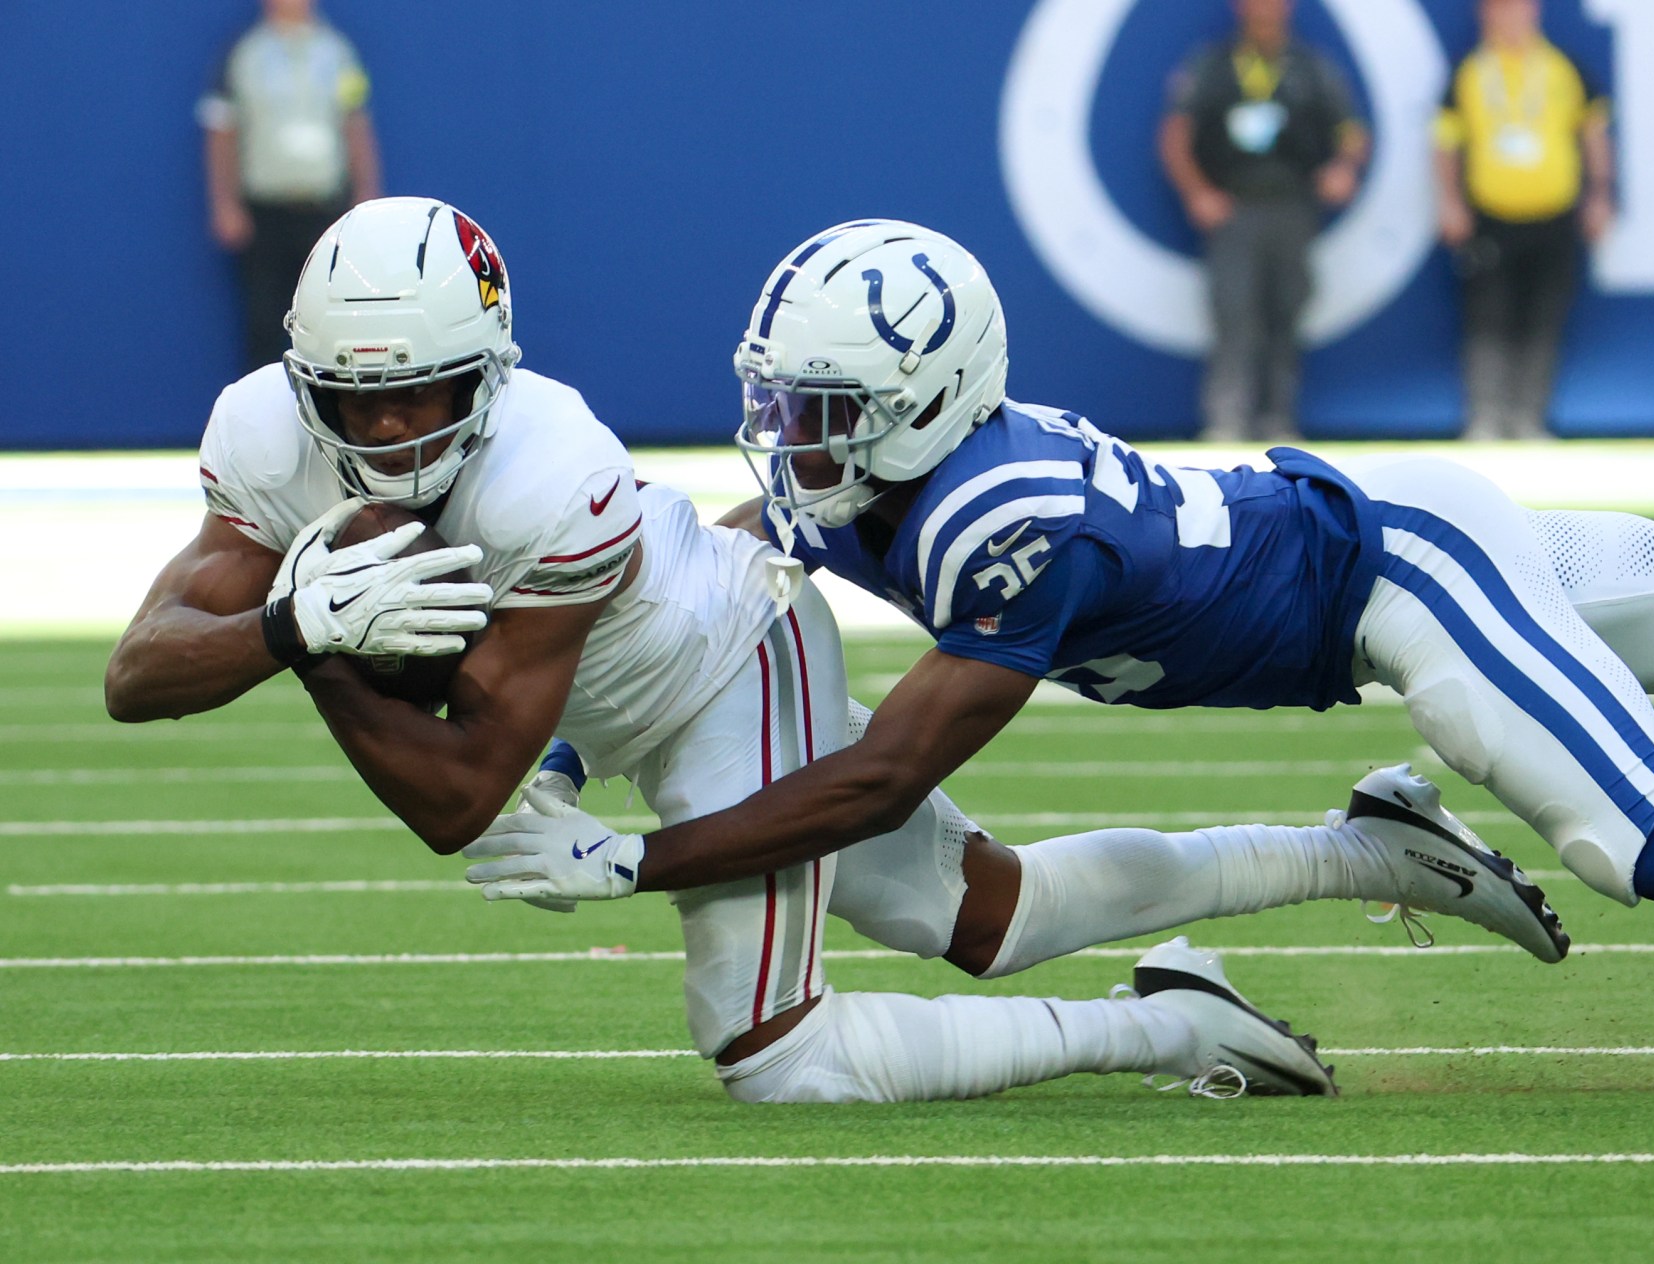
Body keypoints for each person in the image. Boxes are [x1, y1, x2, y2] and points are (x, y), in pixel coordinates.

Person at [470, 219, 1654, 1110]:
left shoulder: (991, 520)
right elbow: (699, 571)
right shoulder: (899, 469)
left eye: (822, 411)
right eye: (785, 401)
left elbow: (878, 778)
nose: (786, 440)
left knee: (1644, 838)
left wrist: (639, 855)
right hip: (1376, 536)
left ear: (928, 402)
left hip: (1398, 584)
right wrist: (562, 736)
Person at [106, 198, 1577, 1107]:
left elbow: (454, 801)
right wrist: (291, 619)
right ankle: (1369, 849)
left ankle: (1162, 1026)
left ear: (487, 374)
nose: (383, 435)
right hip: (633, 696)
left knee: (779, 1062)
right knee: (988, 913)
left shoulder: (551, 470)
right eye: (350, 402)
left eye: (418, 395)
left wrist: (334, 659)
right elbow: (141, 670)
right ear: (301, 382)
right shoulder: (259, 431)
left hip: (729, 661)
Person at [1160, 0, 1370, 442]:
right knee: (1234, 311)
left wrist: (1342, 169)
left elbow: (1351, 133)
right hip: (1235, 207)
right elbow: (1176, 135)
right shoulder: (1212, 65)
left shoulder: (1312, 66)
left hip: (1292, 208)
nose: (1265, 10)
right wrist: (1198, 193)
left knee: (1287, 310)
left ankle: (1279, 417)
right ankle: (1227, 419)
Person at [1433, 0, 1612, 440]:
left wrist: (1601, 195)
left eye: (1514, 9)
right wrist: (1450, 202)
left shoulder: (1563, 68)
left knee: (1544, 318)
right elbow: (1446, 144)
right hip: (1491, 218)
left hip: (1553, 216)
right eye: (1496, 10)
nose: (1506, 19)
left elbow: (1593, 137)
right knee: (1487, 319)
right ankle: (1486, 417)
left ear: (1533, 12)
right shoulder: (1470, 72)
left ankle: (1529, 417)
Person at [200, 0, 382, 373]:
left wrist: (366, 196)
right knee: (264, 323)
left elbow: (355, 122)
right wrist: (224, 204)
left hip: (325, 212)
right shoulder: (243, 52)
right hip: (264, 213)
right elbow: (221, 131)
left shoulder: (337, 52)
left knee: (330, 324)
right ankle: (263, 424)